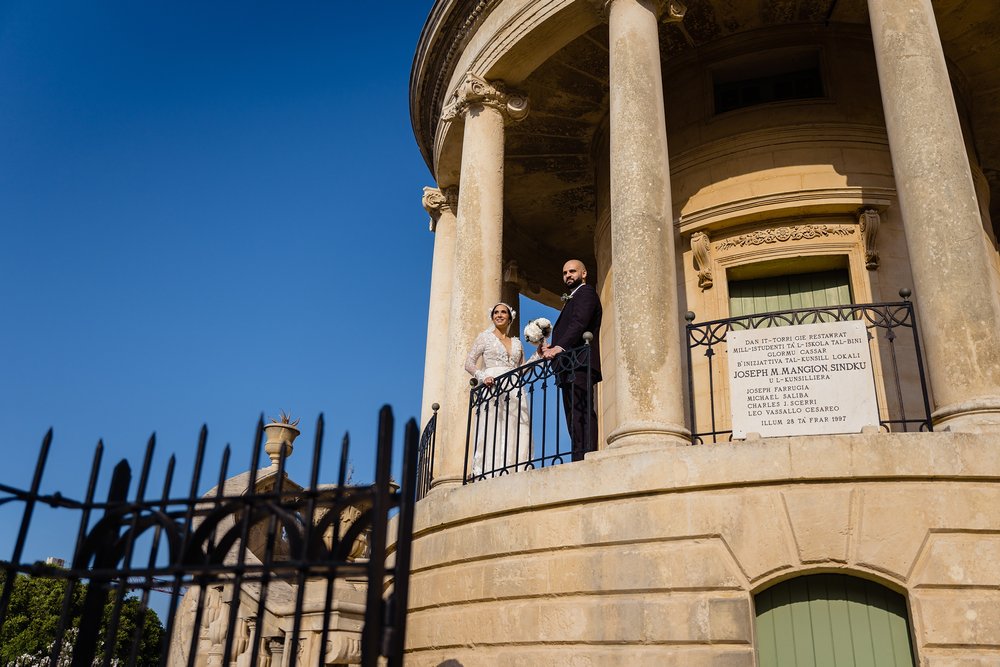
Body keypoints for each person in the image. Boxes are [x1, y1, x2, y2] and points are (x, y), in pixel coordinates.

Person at [541, 259, 602, 461]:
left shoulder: (586, 293)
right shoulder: (572, 298)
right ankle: (578, 456)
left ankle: (585, 456)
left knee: (581, 412)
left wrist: (561, 347)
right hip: (569, 364)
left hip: (580, 362)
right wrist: (551, 347)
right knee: (572, 417)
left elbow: (579, 323)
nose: (568, 275)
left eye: (573, 271)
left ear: (583, 274)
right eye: (565, 272)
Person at [464, 302, 533, 477]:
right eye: (496, 312)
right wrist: (482, 376)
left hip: (515, 388)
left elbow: (522, 369)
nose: (499, 315)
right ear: (492, 316)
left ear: (510, 317)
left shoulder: (516, 343)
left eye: (503, 312)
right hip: (491, 385)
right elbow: (469, 363)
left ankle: (515, 468)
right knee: (493, 425)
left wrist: (538, 355)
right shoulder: (484, 338)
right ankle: (489, 470)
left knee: (516, 425)